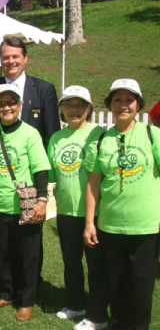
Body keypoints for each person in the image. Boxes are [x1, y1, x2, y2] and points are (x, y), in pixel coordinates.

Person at [84, 79, 160, 330]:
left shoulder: (153, 135)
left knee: (141, 287)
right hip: (110, 226)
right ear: (110, 104)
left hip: (146, 228)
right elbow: (94, 184)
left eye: (129, 100)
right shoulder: (103, 138)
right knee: (115, 284)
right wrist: (89, 223)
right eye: (117, 100)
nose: (123, 105)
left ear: (138, 105)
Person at [0, 84, 51, 322]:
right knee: (3, 253)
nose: (6, 107)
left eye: (11, 103)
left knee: (28, 255)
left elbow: (40, 169)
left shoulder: (30, 133)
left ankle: (26, 300)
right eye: (1, 104)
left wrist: (41, 200)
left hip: (25, 204)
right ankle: (7, 292)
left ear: (19, 106)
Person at [47, 86, 108, 330]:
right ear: (62, 109)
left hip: (96, 213)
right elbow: (51, 175)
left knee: (96, 266)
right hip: (66, 213)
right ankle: (75, 304)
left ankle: (97, 314)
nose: (74, 110)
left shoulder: (101, 134)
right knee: (71, 261)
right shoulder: (56, 138)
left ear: (89, 109)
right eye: (69, 105)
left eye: (80, 105)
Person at [0, 36, 60, 149]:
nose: (11, 61)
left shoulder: (44, 90)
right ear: (0, 60)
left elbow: (52, 134)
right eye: (6, 57)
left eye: (15, 57)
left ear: (25, 59)